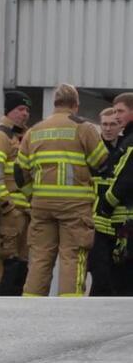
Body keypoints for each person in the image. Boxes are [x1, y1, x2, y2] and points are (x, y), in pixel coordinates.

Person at [18, 84, 108, 297]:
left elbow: (19, 170)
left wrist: (32, 194)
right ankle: (70, 309)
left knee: (40, 257)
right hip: (75, 206)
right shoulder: (83, 128)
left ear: (55, 104)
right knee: (72, 257)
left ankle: (31, 306)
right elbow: (101, 162)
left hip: (41, 205)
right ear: (76, 105)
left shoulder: (35, 130)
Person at [0, 91, 32, 296]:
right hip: (6, 214)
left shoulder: (23, 137)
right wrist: (7, 206)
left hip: (23, 213)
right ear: (9, 111)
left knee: (19, 265)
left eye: (27, 110)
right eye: (20, 109)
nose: (25, 114)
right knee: (1, 262)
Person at [92, 93, 133, 295]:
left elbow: (125, 178)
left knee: (120, 281)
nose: (115, 120)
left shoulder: (128, 142)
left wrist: (107, 204)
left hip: (119, 218)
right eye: (105, 123)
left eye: (120, 112)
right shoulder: (100, 148)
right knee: (105, 278)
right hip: (105, 223)